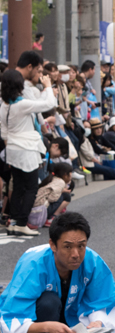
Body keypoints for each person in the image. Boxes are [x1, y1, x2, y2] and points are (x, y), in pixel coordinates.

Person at [0, 213, 115, 333]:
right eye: (67, 246)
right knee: (49, 302)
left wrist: (98, 322)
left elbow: (104, 300)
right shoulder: (33, 264)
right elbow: (13, 319)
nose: (76, 254)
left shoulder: (92, 261)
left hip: (75, 319)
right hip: (44, 316)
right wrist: (46, 327)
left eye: (81, 246)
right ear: (53, 245)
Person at [1, 68, 57, 236]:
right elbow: (48, 104)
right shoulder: (21, 104)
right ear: (19, 86)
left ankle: (15, 222)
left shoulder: (3, 105)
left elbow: (3, 132)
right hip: (26, 150)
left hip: (12, 149)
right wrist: (47, 87)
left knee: (18, 186)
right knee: (31, 187)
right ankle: (22, 223)